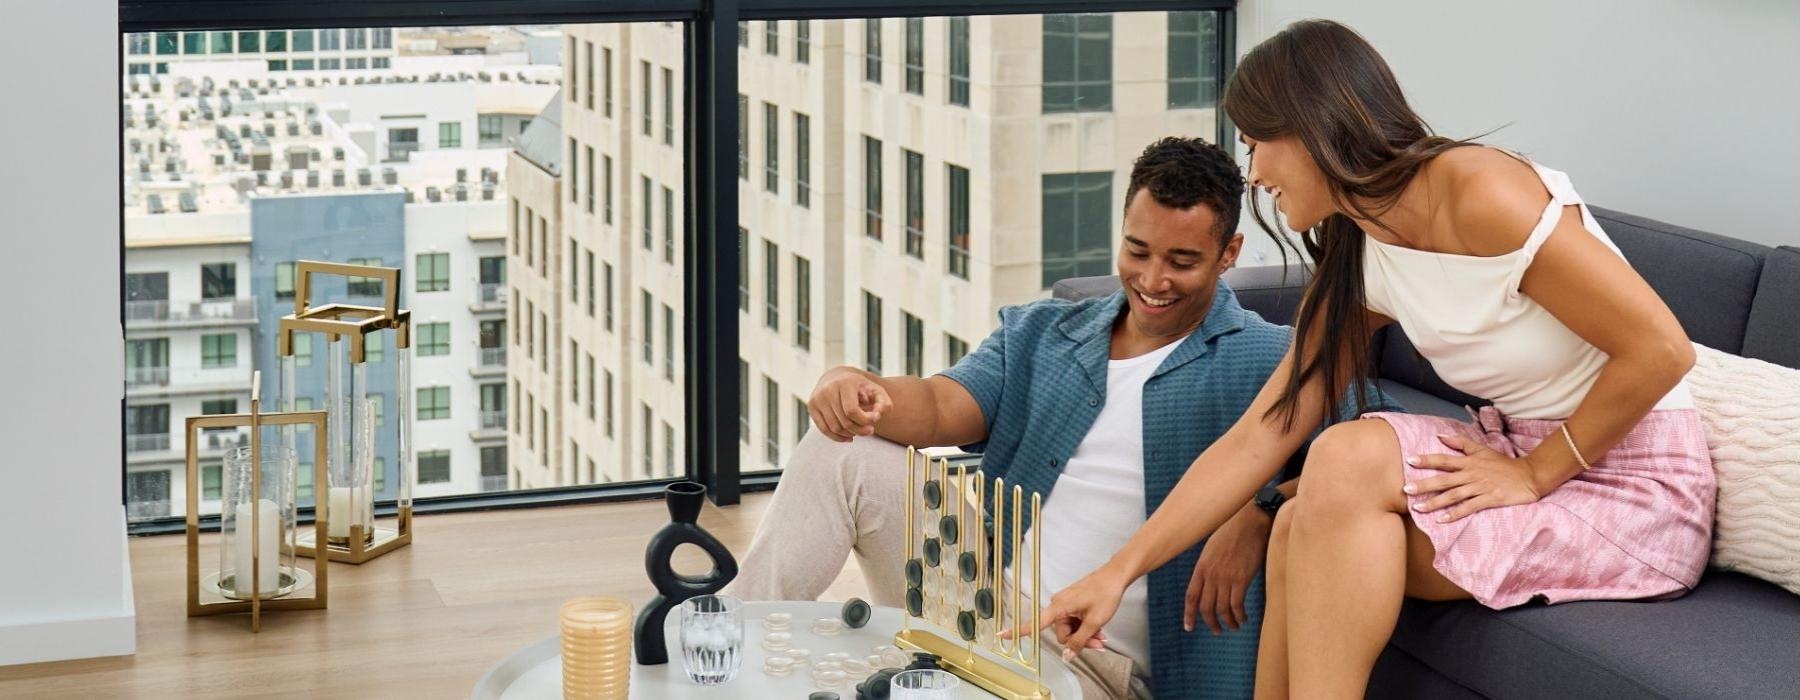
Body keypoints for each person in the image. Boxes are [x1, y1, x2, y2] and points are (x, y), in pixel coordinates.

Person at [1025, 19, 1715, 699]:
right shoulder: (1362, 248)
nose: (1253, 170)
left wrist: (1536, 473)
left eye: (1257, 142)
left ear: (1313, 124)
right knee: (1299, 516)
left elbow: (1660, 349)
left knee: (1345, 459)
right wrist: (1117, 573)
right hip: (1509, 457)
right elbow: (1265, 430)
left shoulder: (1480, 194)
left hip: (1631, 482)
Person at [725, 136, 1390, 698]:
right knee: (844, 451)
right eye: (1138, 250)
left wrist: (1260, 510)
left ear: (1229, 254)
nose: (1153, 279)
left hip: (1091, 663)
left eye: (1182, 261)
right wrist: (855, 386)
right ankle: (728, 649)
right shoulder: (1045, 331)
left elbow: (1375, 453)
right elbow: (938, 405)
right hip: (981, 597)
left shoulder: (1270, 359)